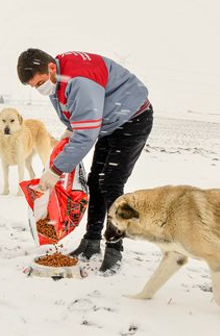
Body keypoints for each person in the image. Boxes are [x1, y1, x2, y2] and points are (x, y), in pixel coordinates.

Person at [16, 49, 153, 274]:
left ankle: (114, 249)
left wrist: (55, 170)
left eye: (39, 82)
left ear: (51, 68)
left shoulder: (79, 80)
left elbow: (87, 133)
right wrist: (69, 132)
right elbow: (77, 112)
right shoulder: (57, 77)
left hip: (132, 118)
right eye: (34, 86)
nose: (39, 89)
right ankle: (91, 242)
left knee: (111, 184)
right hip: (109, 121)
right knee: (96, 179)